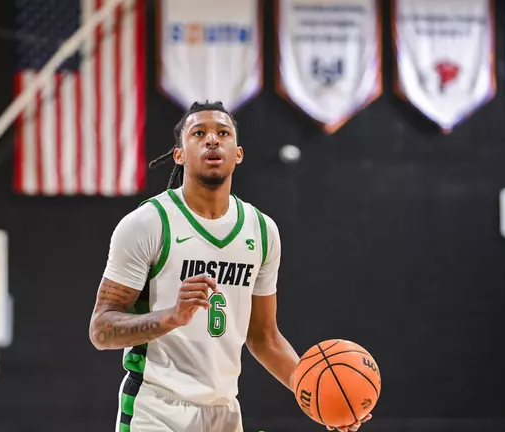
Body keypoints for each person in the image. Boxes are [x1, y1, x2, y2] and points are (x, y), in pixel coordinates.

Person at [89, 101, 371, 432]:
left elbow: (264, 336)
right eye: (199, 133)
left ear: (238, 153)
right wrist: (170, 317)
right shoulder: (148, 224)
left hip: (224, 412)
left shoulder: (262, 231)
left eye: (223, 133)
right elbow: (101, 330)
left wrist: (319, 394)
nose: (212, 140)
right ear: (179, 154)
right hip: (157, 409)